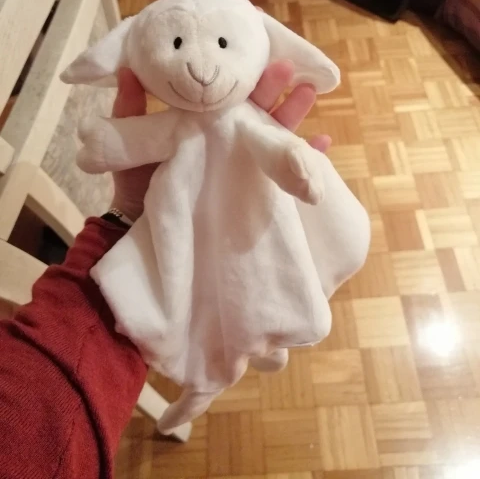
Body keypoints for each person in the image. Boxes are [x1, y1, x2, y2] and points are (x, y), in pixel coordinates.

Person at [0, 62, 331, 479]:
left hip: (225, 226)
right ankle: (225, 368)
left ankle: (251, 350)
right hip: (181, 237)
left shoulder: (242, 123)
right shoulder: (183, 126)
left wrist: (293, 162)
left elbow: (275, 150)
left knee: (255, 283)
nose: (201, 66)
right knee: (234, 293)